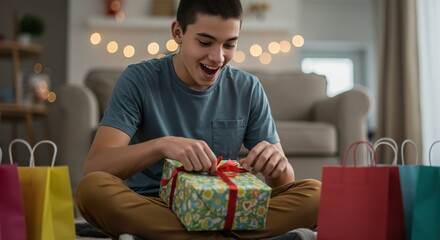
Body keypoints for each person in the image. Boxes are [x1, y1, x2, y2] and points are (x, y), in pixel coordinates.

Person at [75, 0, 321, 239]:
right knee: (92, 191)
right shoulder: (139, 80)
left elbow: (282, 187)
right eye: (205, 42)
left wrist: (277, 165)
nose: (218, 57)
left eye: (229, 45)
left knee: (318, 194)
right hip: (155, 206)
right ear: (178, 32)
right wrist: (162, 145)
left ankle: (189, 236)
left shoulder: (248, 88)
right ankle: (232, 236)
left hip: (231, 208)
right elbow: (96, 166)